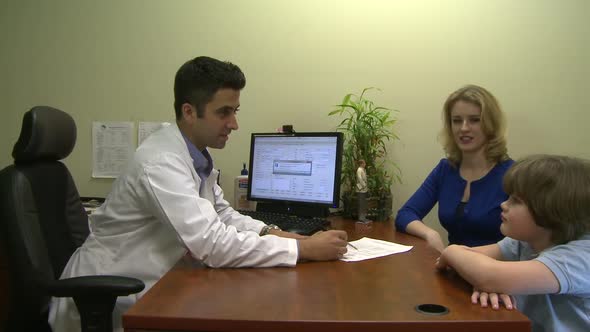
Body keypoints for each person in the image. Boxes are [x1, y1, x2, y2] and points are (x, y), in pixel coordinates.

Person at [49, 56, 348, 332]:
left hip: (161, 284)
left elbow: (223, 214)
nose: (234, 124)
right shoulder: (161, 161)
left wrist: (277, 233)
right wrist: (304, 251)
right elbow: (212, 244)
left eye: (235, 111)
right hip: (109, 297)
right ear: (189, 112)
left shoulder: (194, 155)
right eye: (224, 113)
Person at [436, 155, 590, 332]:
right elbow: (466, 264)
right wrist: (490, 285)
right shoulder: (522, 242)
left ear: (552, 211)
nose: (503, 205)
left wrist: (452, 250)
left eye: (516, 201)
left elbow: (486, 274)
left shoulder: (580, 258)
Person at [395, 85, 514, 252]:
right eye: (457, 120)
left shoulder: (513, 175)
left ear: (491, 124)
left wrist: (464, 258)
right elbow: (405, 214)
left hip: (495, 271)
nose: (464, 128)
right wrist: (430, 234)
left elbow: (522, 245)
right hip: (452, 267)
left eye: (474, 120)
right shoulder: (445, 169)